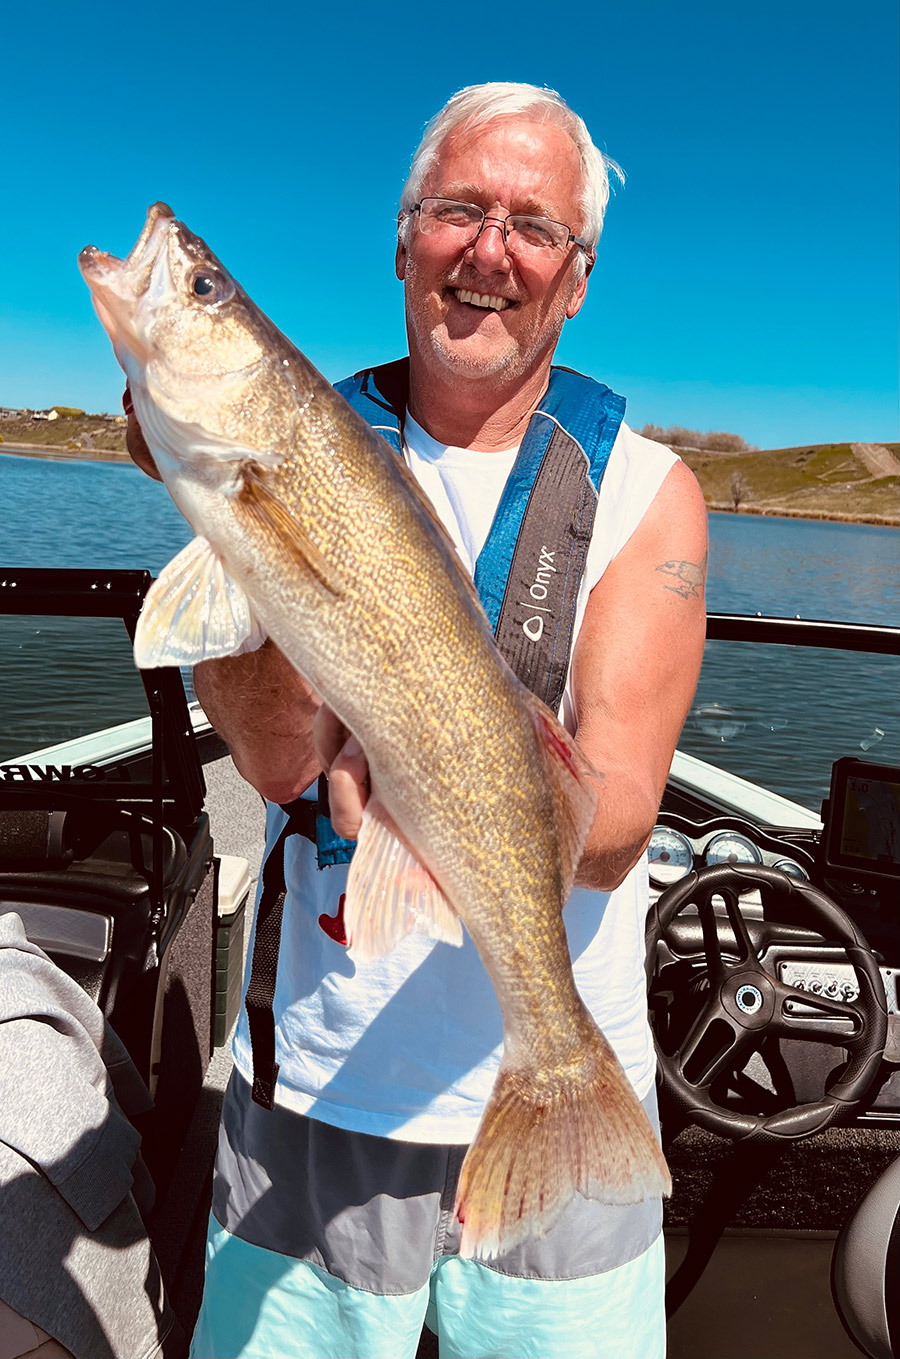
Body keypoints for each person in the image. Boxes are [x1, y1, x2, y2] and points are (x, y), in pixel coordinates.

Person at [127, 82, 707, 1359]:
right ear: (404, 241)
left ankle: (553, 1082)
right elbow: (281, 763)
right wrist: (220, 516)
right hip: (325, 1093)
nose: (490, 249)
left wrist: (427, 789)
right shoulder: (313, 438)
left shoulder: (651, 491)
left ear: (577, 276)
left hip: (564, 1089)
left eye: (533, 226)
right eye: (458, 209)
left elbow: (610, 829)